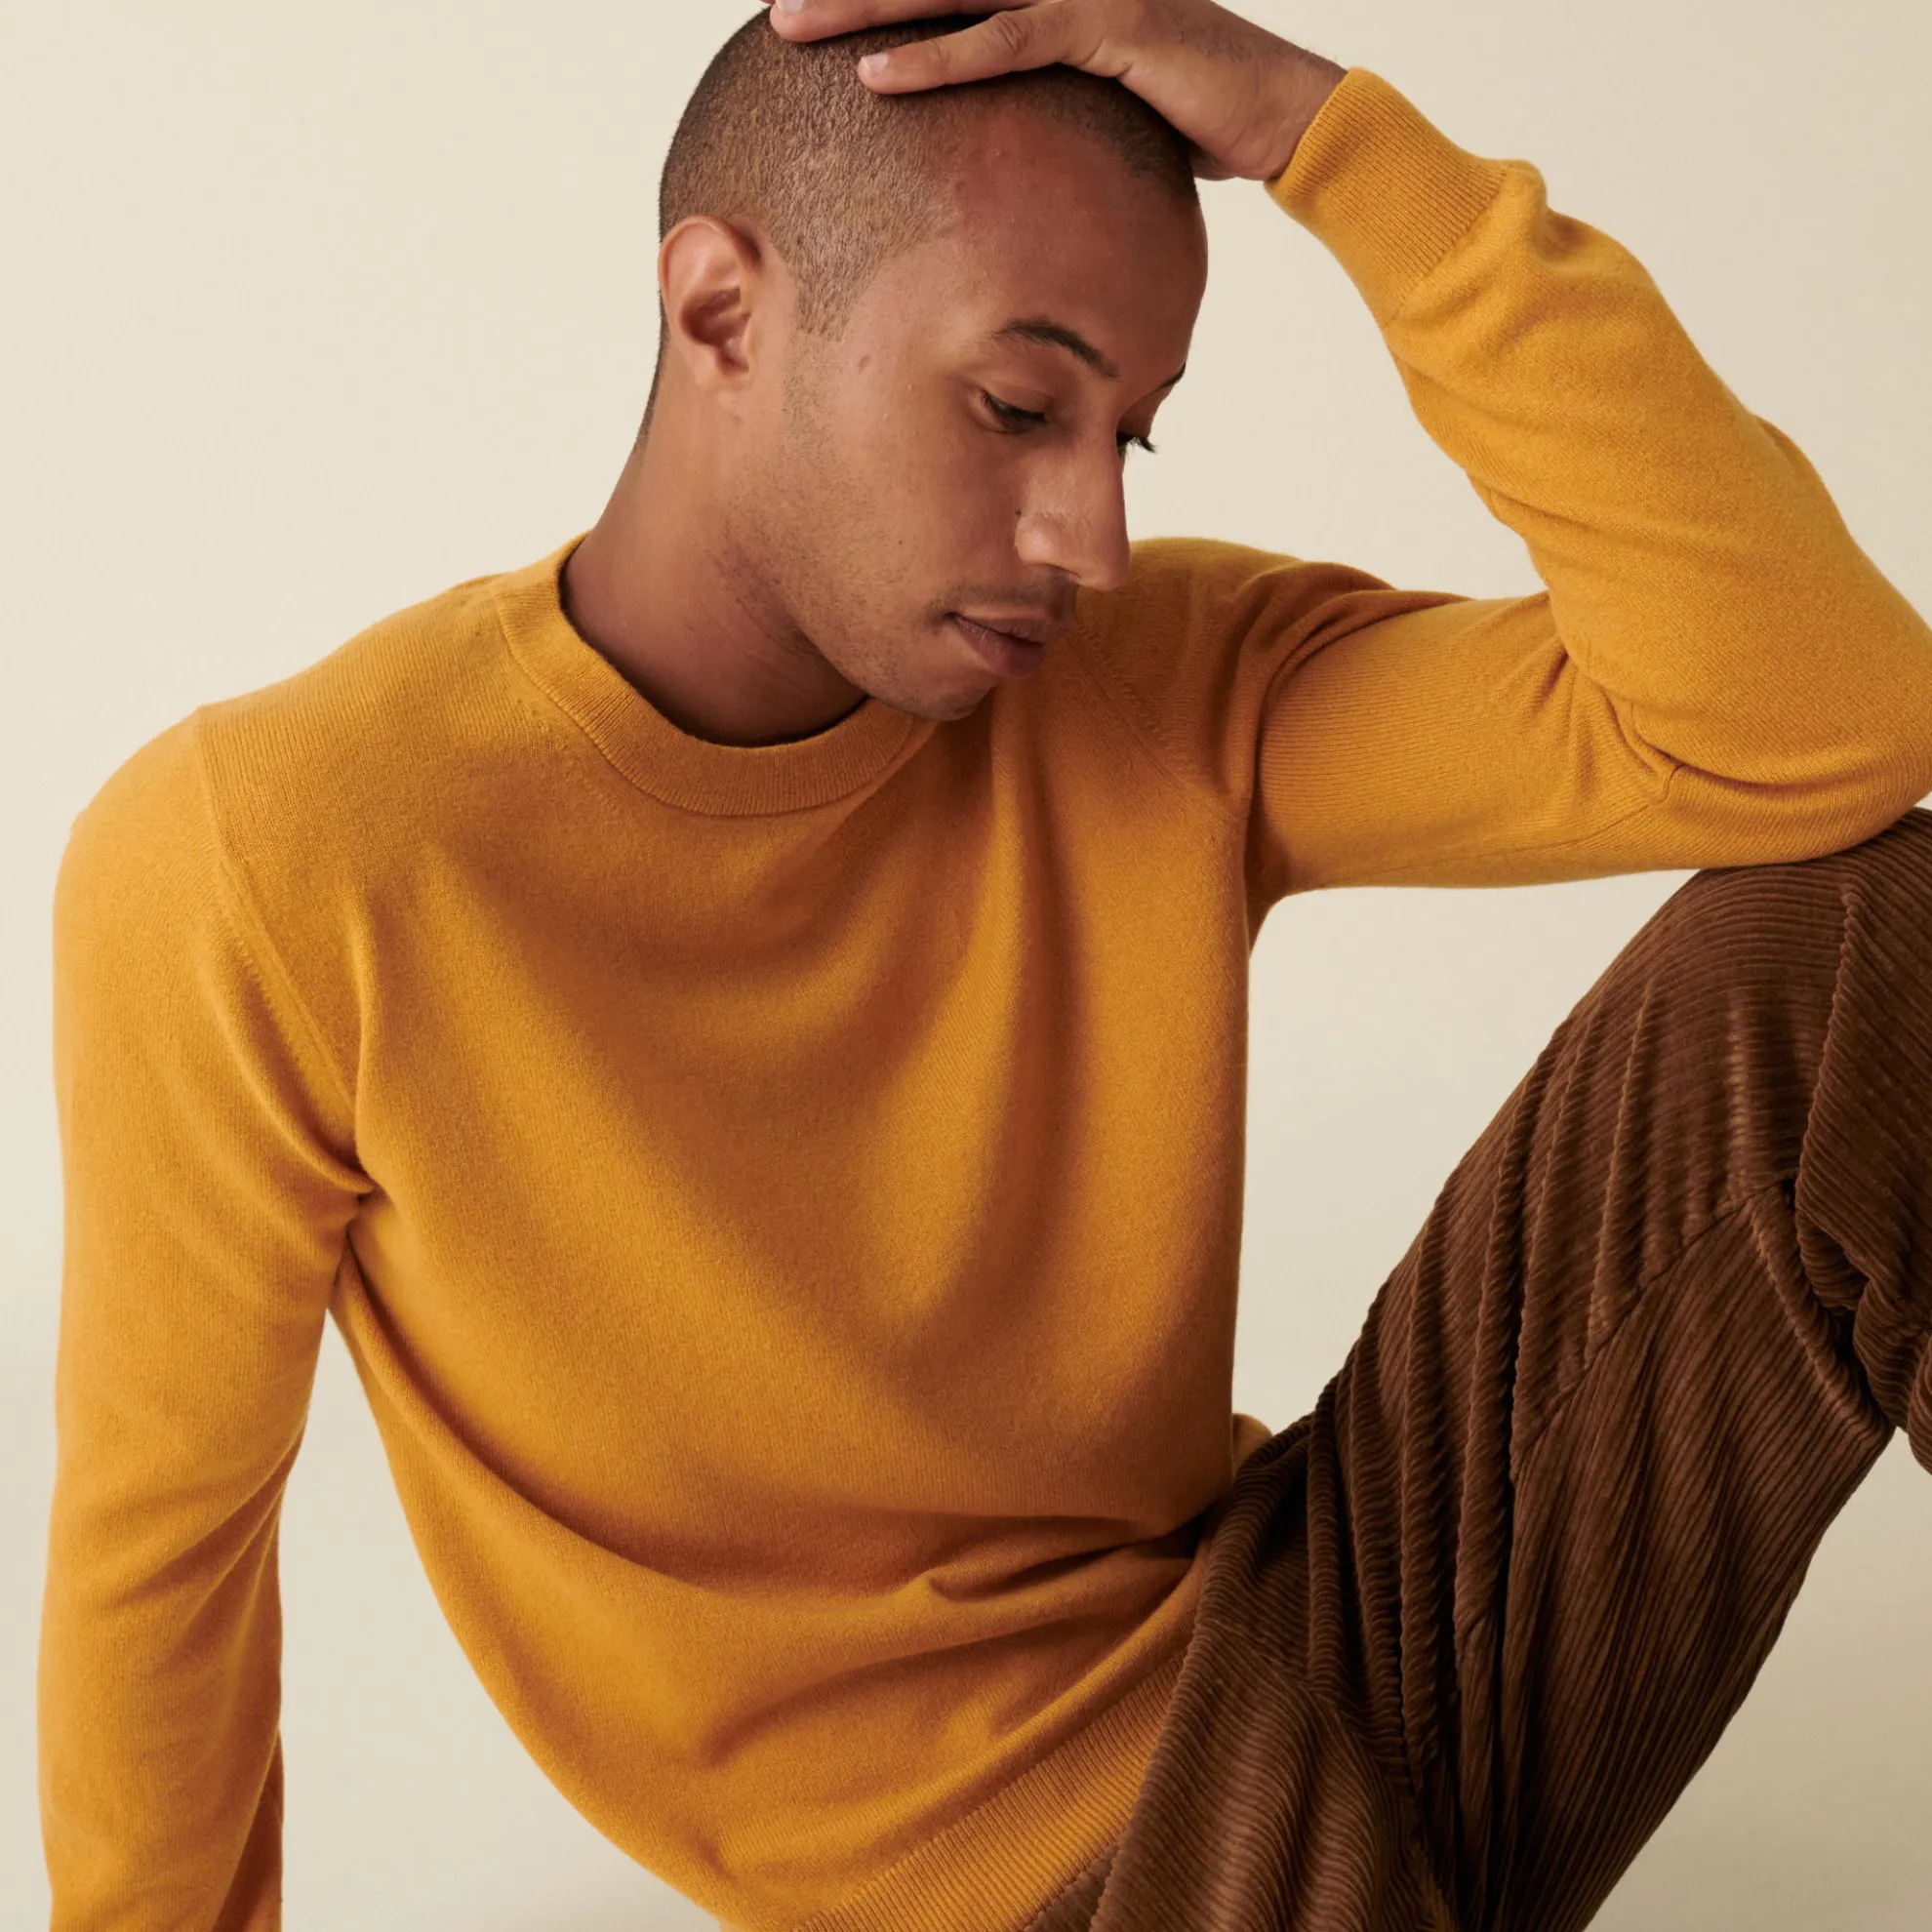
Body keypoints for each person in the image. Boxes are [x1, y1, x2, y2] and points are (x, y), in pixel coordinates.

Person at [37, 0, 1932, 1927]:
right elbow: (164, 1569)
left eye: (1130, 433)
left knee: (1894, 938)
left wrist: (1333, 142)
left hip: (1336, 1650)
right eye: (1022, 409)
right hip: (1070, 1892)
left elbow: (1821, 720)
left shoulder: (1161, 687)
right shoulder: (278, 854)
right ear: (719, 312)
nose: (1091, 533)